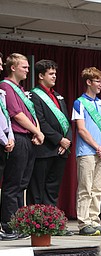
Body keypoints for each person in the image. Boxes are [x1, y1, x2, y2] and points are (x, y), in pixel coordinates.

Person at [0, 53, 44, 238]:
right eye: (24, 67)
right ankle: (9, 225)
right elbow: (16, 114)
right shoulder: (5, 86)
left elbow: (30, 113)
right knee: (13, 183)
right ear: (13, 67)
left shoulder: (20, 89)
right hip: (17, 137)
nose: (27, 70)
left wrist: (36, 131)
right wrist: (37, 131)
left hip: (28, 138)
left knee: (22, 184)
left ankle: (19, 223)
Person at [26, 59, 72, 207]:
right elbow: (41, 122)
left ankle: (51, 221)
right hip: (44, 149)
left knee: (53, 189)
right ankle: (36, 224)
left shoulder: (58, 96)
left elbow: (67, 121)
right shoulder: (34, 95)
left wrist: (67, 141)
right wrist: (60, 139)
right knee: (37, 188)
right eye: (51, 74)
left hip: (61, 150)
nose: (54, 77)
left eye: (55, 74)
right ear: (41, 76)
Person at [72, 67, 101, 236]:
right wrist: (96, 146)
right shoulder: (79, 102)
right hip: (87, 151)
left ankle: (94, 219)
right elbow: (81, 129)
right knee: (85, 188)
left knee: (97, 188)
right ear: (88, 82)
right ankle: (84, 222)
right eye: (98, 81)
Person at [0, 52, 17, 241]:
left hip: (5, 142)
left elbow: (5, 118)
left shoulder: (1, 92)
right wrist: (6, 140)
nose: (0, 67)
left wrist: (10, 137)